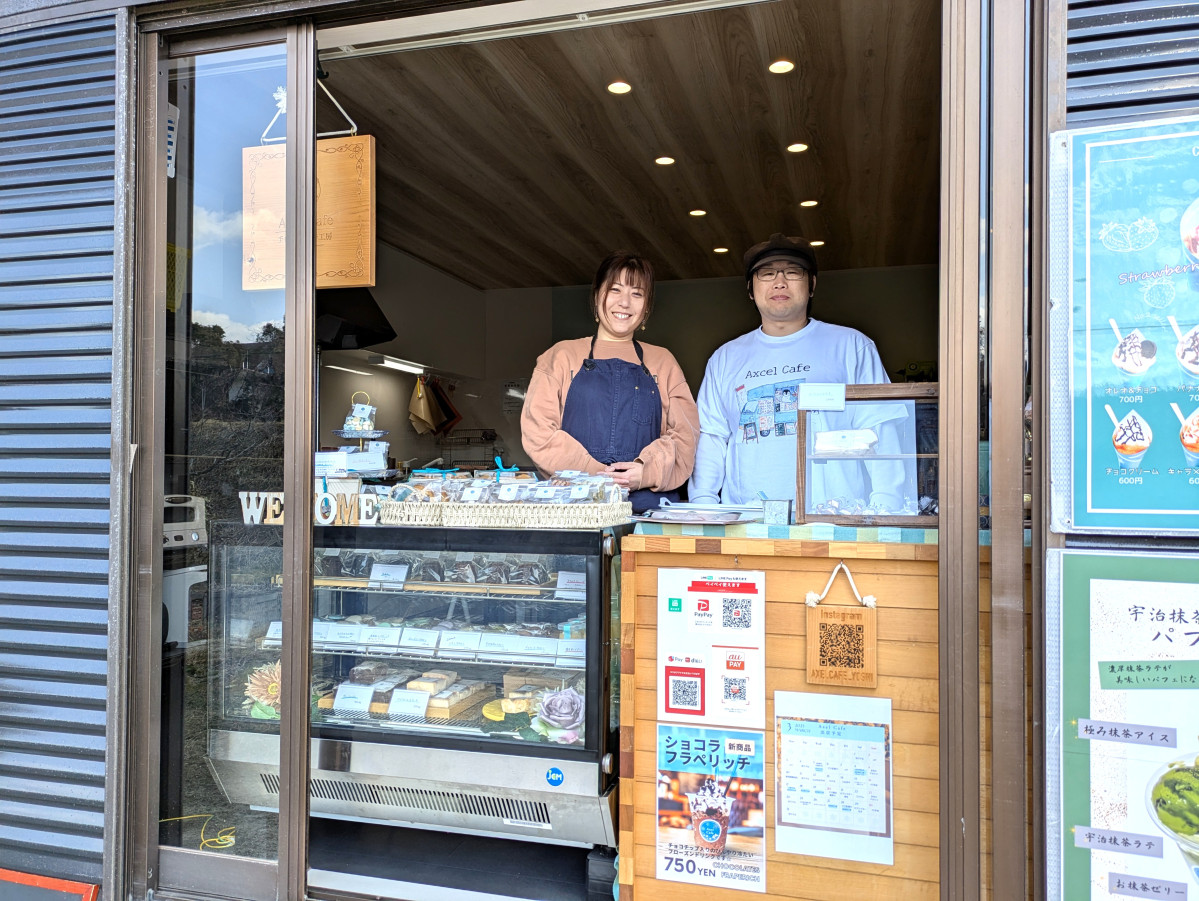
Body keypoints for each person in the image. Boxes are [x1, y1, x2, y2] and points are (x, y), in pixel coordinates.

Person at [689, 233, 908, 510]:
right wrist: (703, 505)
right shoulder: (725, 359)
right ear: (750, 289)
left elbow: (880, 430)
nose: (780, 281)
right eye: (767, 273)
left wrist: (887, 507)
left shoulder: (852, 346)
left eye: (793, 272)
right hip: (748, 518)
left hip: (833, 518)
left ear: (812, 284)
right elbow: (712, 438)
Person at [521, 251, 700, 513]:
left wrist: (645, 472)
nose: (625, 303)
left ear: (647, 307)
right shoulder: (560, 356)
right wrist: (596, 475)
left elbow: (686, 435)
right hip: (575, 509)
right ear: (597, 296)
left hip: (648, 512)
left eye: (637, 294)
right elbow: (538, 432)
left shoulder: (663, 362)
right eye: (615, 290)